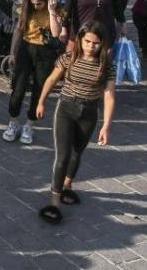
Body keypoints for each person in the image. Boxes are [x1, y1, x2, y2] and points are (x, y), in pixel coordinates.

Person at [35, 22, 117, 225]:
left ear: (102, 44)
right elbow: (51, 80)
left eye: (96, 43)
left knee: (77, 153)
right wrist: (41, 102)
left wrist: (106, 125)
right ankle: (54, 201)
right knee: (62, 157)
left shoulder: (106, 66)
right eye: (87, 41)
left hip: (89, 112)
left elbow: (109, 96)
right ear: (80, 40)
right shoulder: (68, 59)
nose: (91, 46)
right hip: (66, 109)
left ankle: (68, 185)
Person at [3, 0, 63, 145]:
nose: (36, 6)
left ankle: (30, 124)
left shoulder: (55, 9)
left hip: (45, 52)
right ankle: (13, 122)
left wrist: (51, 11)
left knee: (39, 89)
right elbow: (18, 30)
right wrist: (12, 53)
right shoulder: (25, 9)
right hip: (25, 49)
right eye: (33, 3)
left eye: (39, 3)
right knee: (18, 89)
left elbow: (56, 33)